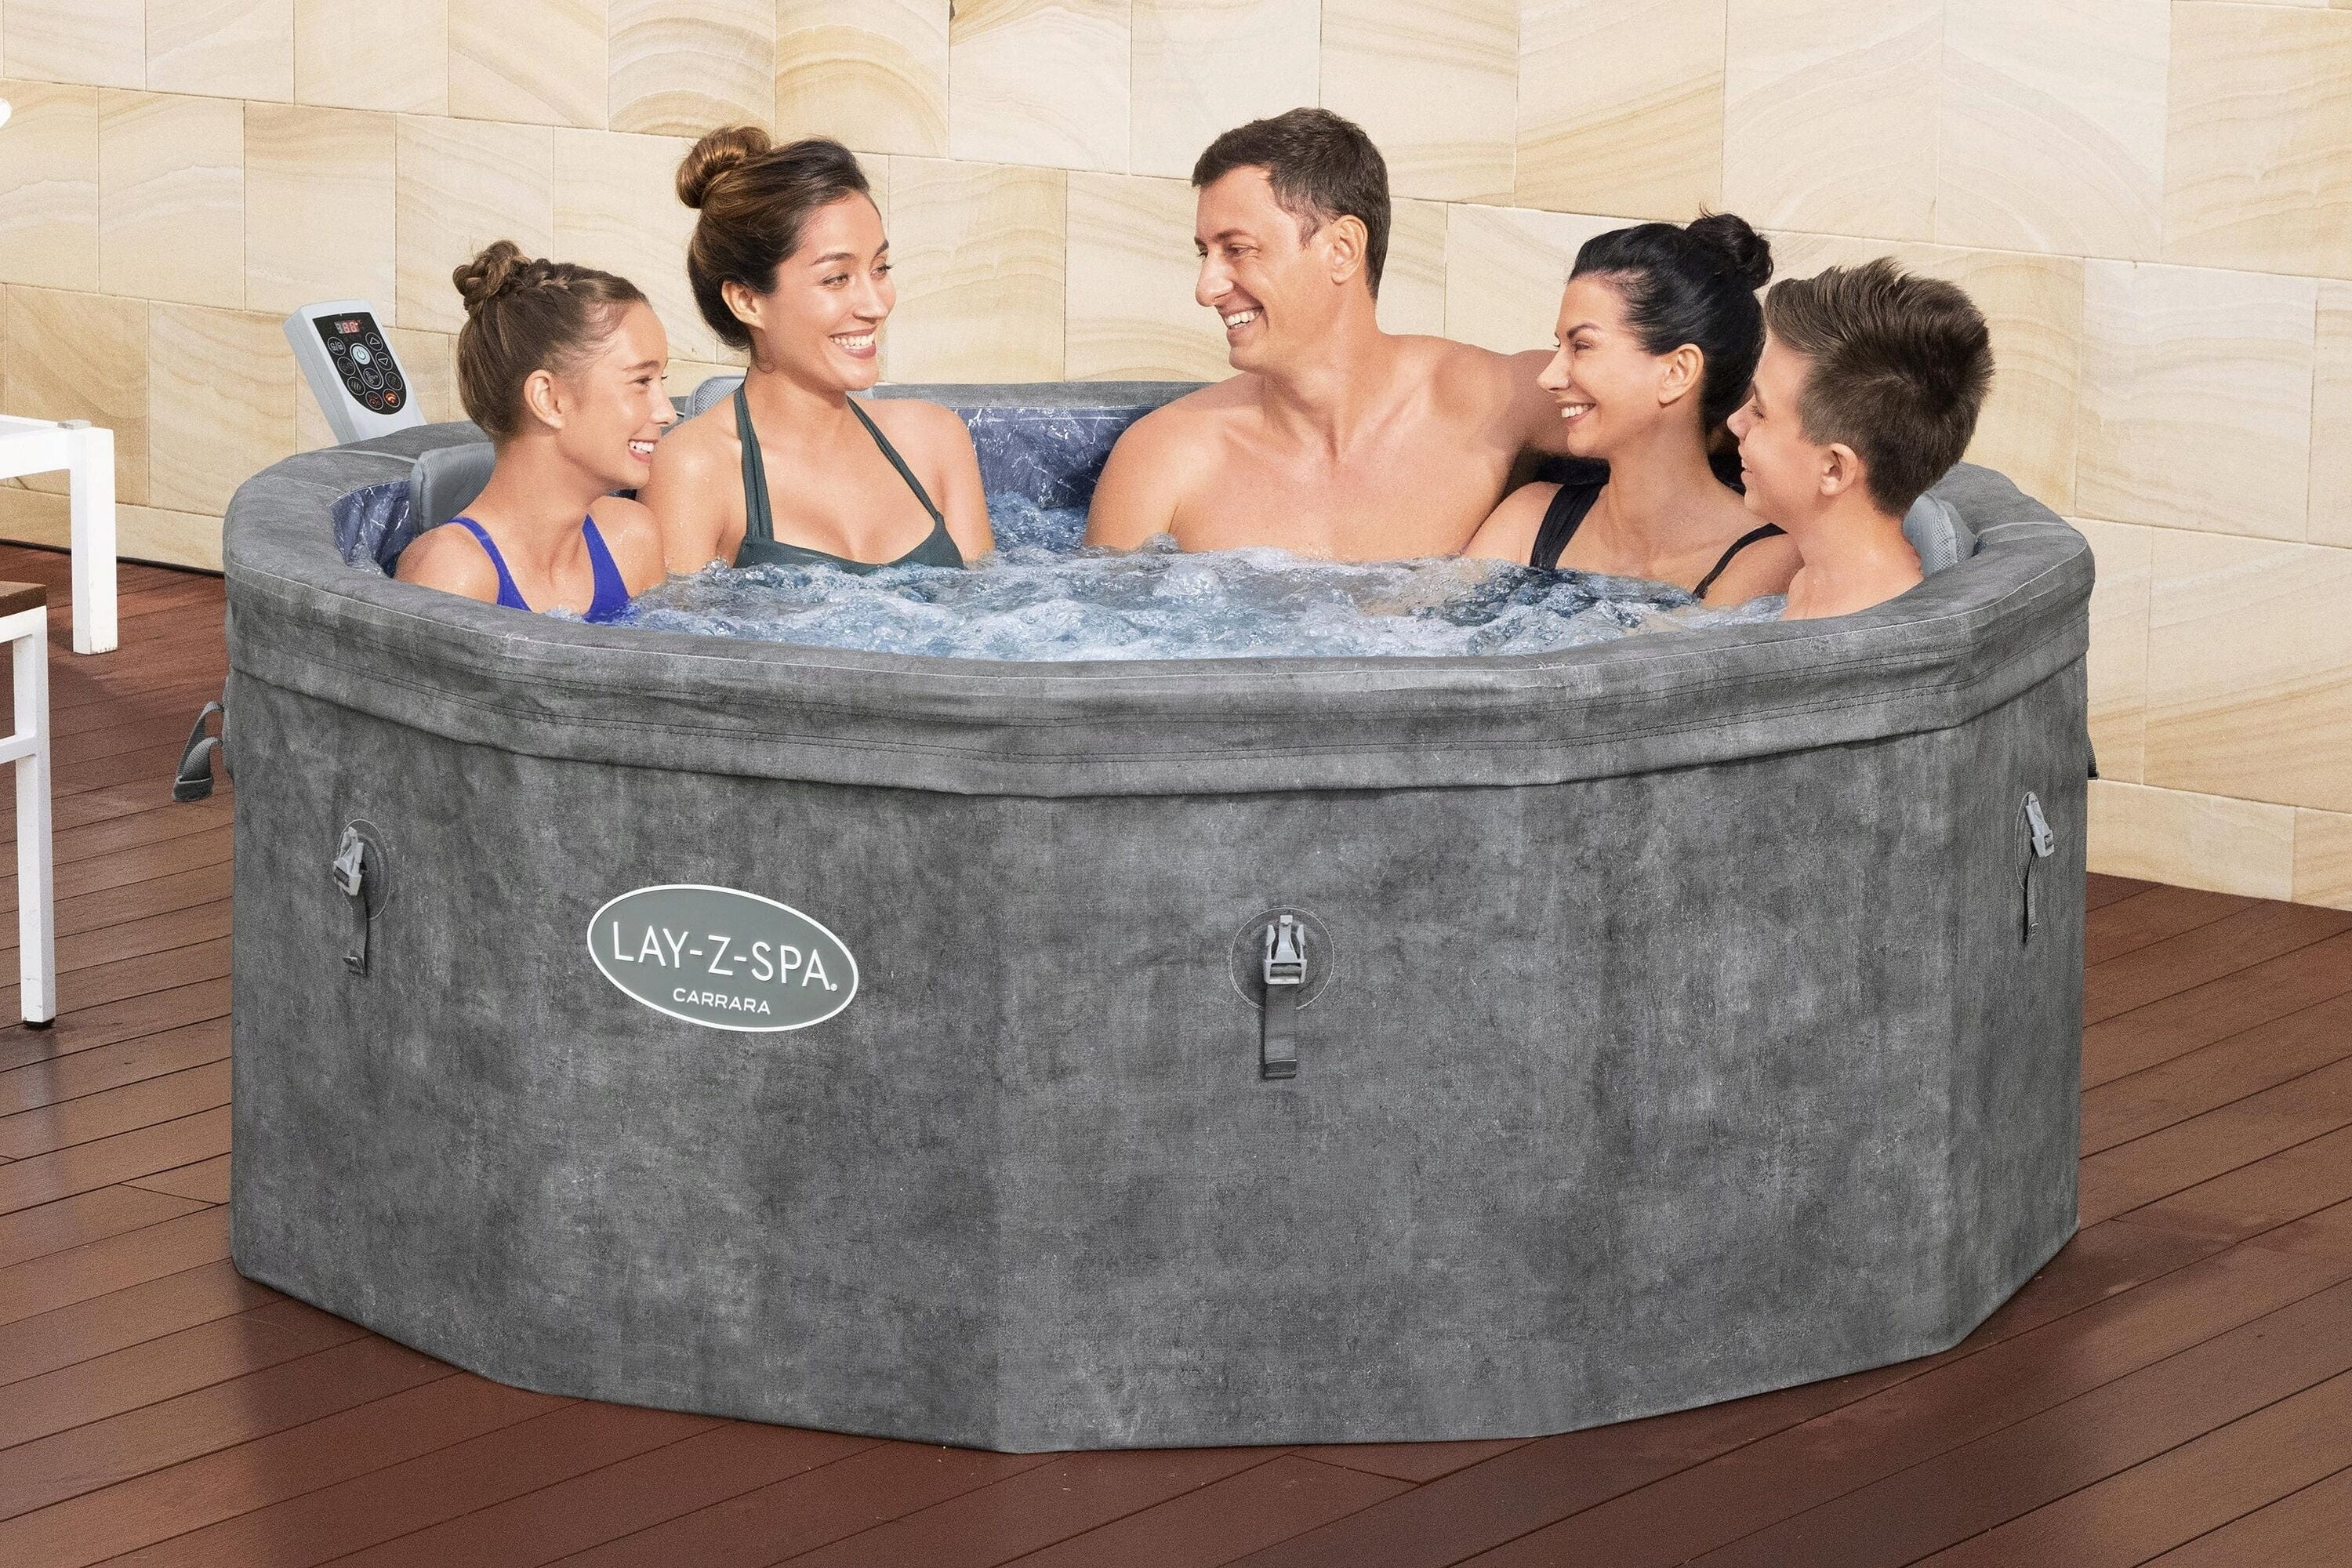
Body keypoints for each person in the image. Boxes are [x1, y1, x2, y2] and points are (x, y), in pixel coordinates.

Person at [1082, 109, 1575, 561]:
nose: (1206, 289)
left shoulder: (1492, 402)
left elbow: (1629, 406)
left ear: (1342, 249)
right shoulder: (1163, 459)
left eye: (1238, 249)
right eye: (1204, 254)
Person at [641, 129, 991, 573]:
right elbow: (671, 621)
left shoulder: (936, 441)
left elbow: (990, 607)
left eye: (880, 268)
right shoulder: (693, 470)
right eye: (836, 278)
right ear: (747, 301)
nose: (876, 305)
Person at [1461, 216, 1799, 606]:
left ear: (1677, 371)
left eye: (1582, 346)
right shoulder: (1527, 521)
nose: (1548, 377)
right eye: (1559, 347)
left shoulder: (1766, 560)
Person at [394, 241, 671, 622]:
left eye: (661, 381)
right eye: (641, 381)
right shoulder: (453, 575)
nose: (667, 412)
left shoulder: (631, 539)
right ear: (549, 399)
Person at [1727, 259, 1994, 620]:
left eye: (1760, 411)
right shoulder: (1812, 586)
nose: (1735, 422)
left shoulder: (1866, 637)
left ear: (1834, 469)